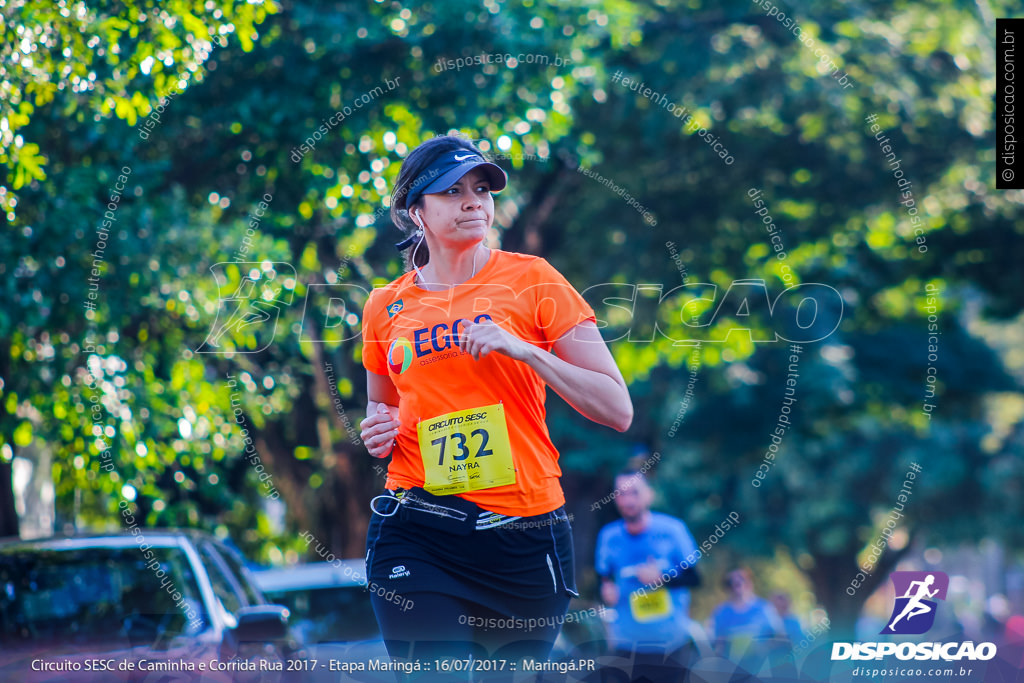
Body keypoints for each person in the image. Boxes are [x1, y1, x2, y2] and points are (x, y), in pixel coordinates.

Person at [358, 133, 632, 675]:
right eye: (452, 192)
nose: (473, 203)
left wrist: (525, 350)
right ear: (416, 211)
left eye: (481, 189)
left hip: (524, 537)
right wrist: (376, 430)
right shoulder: (384, 306)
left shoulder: (534, 281)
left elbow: (616, 408)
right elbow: (380, 407)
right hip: (418, 528)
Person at [594, 465, 702, 682]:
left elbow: (695, 578)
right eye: (621, 494)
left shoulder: (673, 530)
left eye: (634, 492)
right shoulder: (609, 536)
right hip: (626, 647)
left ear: (649, 494)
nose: (628, 500)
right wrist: (606, 592)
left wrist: (662, 578)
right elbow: (602, 581)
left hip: (671, 646)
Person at [711, 568, 786, 675]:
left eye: (741, 579)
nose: (737, 585)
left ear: (750, 582)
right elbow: (717, 645)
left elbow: (780, 638)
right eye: (731, 582)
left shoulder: (764, 608)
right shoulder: (721, 612)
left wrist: (763, 647)